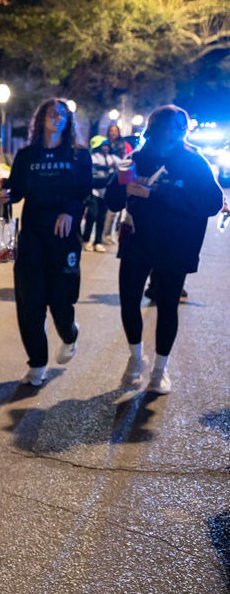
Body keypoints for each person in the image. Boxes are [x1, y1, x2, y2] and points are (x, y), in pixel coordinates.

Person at [105, 105, 224, 394]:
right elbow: (111, 201)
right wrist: (125, 190)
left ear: (184, 130)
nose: (170, 132)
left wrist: (159, 191)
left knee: (168, 306)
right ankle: (135, 360)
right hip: (137, 240)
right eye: (164, 126)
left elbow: (211, 202)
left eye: (177, 127)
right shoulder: (136, 159)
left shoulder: (193, 162)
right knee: (129, 301)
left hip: (176, 244)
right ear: (154, 128)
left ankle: (160, 369)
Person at [0, 99, 92, 387]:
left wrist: (70, 211)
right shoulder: (26, 155)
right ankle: (37, 364)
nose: (58, 117)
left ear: (68, 121)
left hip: (64, 238)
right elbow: (18, 190)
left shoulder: (78, 155)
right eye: (52, 112)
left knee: (60, 303)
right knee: (30, 302)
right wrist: (6, 195)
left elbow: (85, 191)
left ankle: (70, 334)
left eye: (63, 114)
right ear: (41, 119)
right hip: (33, 236)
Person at [82, 135, 119, 252]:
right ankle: (86, 240)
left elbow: (122, 163)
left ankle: (98, 241)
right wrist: (109, 167)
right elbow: (96, 168)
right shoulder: (94, 157)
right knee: (92, 216)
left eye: (107, 146)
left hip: (106, 193)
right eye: (103, 146)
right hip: (95, 191)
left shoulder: (112, 157)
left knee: (101, 218)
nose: (106, 148)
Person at [102, 124, 132, 245]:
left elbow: (127, 160)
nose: (113, 133)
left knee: (116, 213)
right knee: (108, 211)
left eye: (116, 131)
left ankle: (111, 233)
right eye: (111, 131)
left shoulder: (123, 144)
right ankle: (106, 234)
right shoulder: (105, 144)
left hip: (119, 175)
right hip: (106, 178)